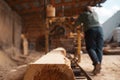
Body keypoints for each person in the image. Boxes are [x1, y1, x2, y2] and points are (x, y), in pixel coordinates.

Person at [75, 6, 104, 75]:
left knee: (90, 48)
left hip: (91, 30)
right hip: (100, 29)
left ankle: (96, 62)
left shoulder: (83, 14)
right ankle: (97, 67)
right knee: (99, 49)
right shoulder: (95, 13)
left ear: (84, 10)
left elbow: (77, 24)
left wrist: (78, 23)